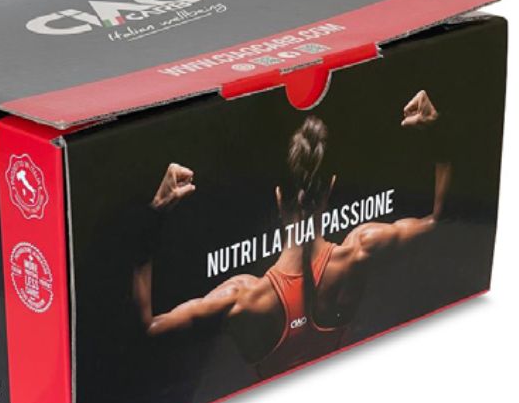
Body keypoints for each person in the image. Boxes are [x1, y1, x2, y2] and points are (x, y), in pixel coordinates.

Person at [132, 90, 451, 376]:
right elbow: (438, 221)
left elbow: (149, 328)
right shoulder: (360, 251)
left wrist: (156, 213)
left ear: (278, 197)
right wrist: (438, 133)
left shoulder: (245, 297)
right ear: (330, 189)